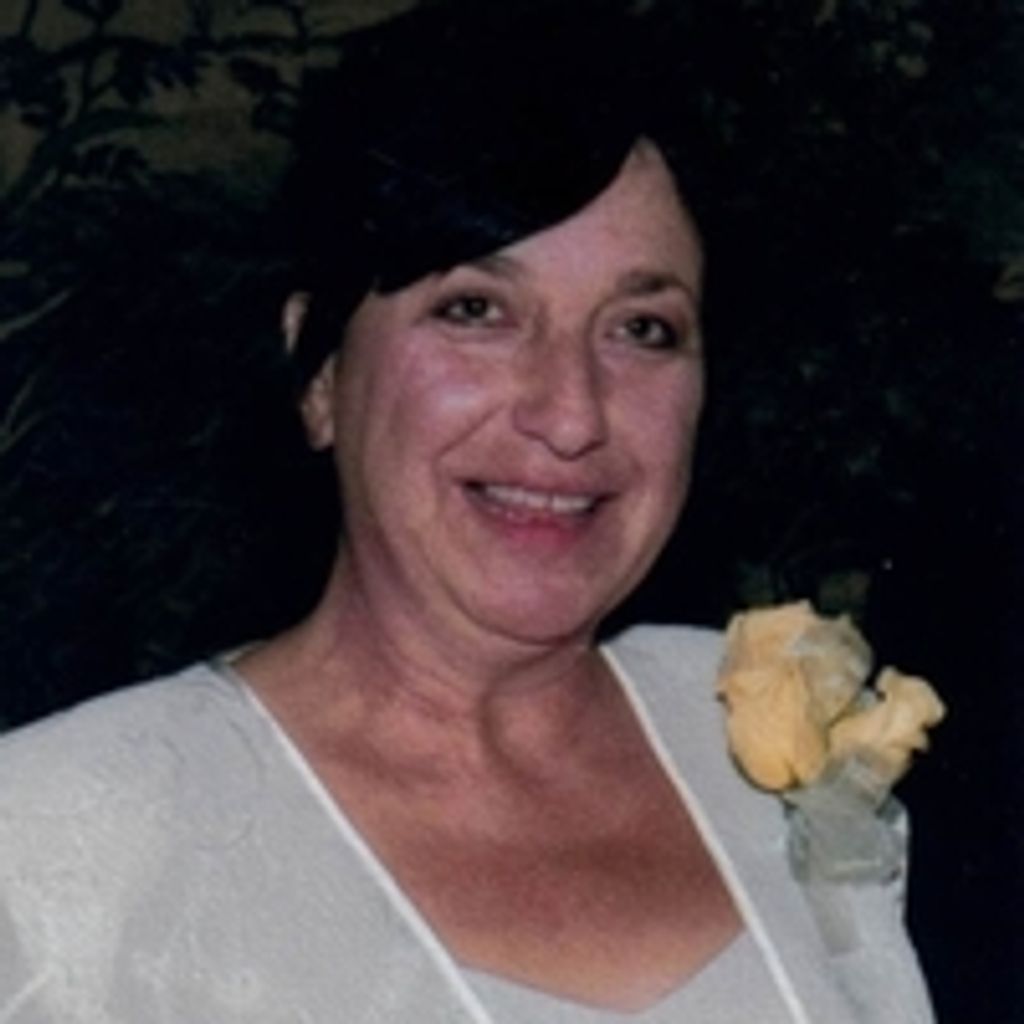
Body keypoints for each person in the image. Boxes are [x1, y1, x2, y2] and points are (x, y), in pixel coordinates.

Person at [0, 2, 934, 1020]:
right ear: (319, 372)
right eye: (476, 311)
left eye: (641, 328)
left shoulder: (760, 743)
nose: (571, 414)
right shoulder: (62, 848)